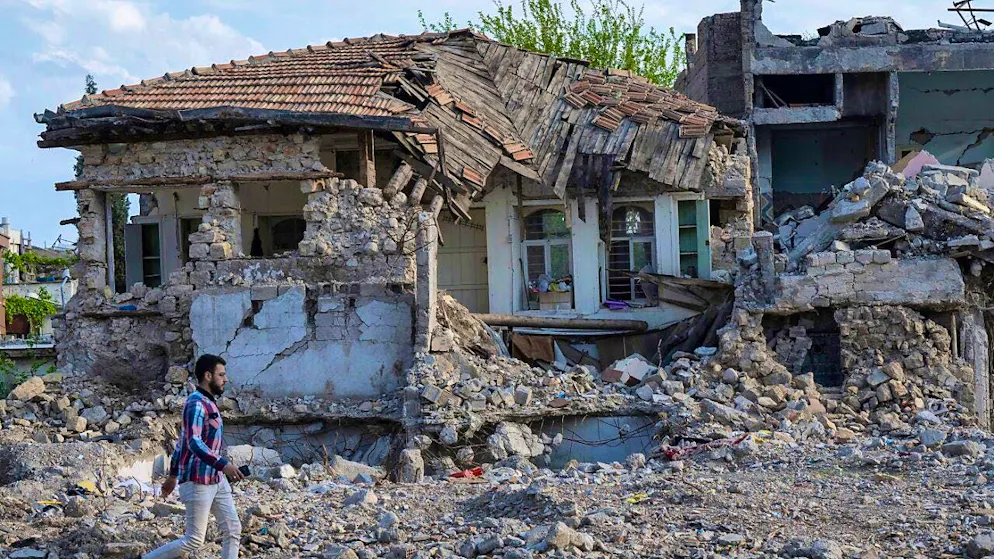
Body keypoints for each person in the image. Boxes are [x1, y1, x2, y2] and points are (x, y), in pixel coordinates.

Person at [144, 354, 244, 559]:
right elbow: (193, 442)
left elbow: (181, 442)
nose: (225, 379)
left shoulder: (209, 402)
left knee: (233, 530)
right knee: (194, 539)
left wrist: (172, 476)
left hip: (216, 479)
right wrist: (224, 464)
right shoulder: (195, 404)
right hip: (199, 481)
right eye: (221, 374)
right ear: (208, 375)